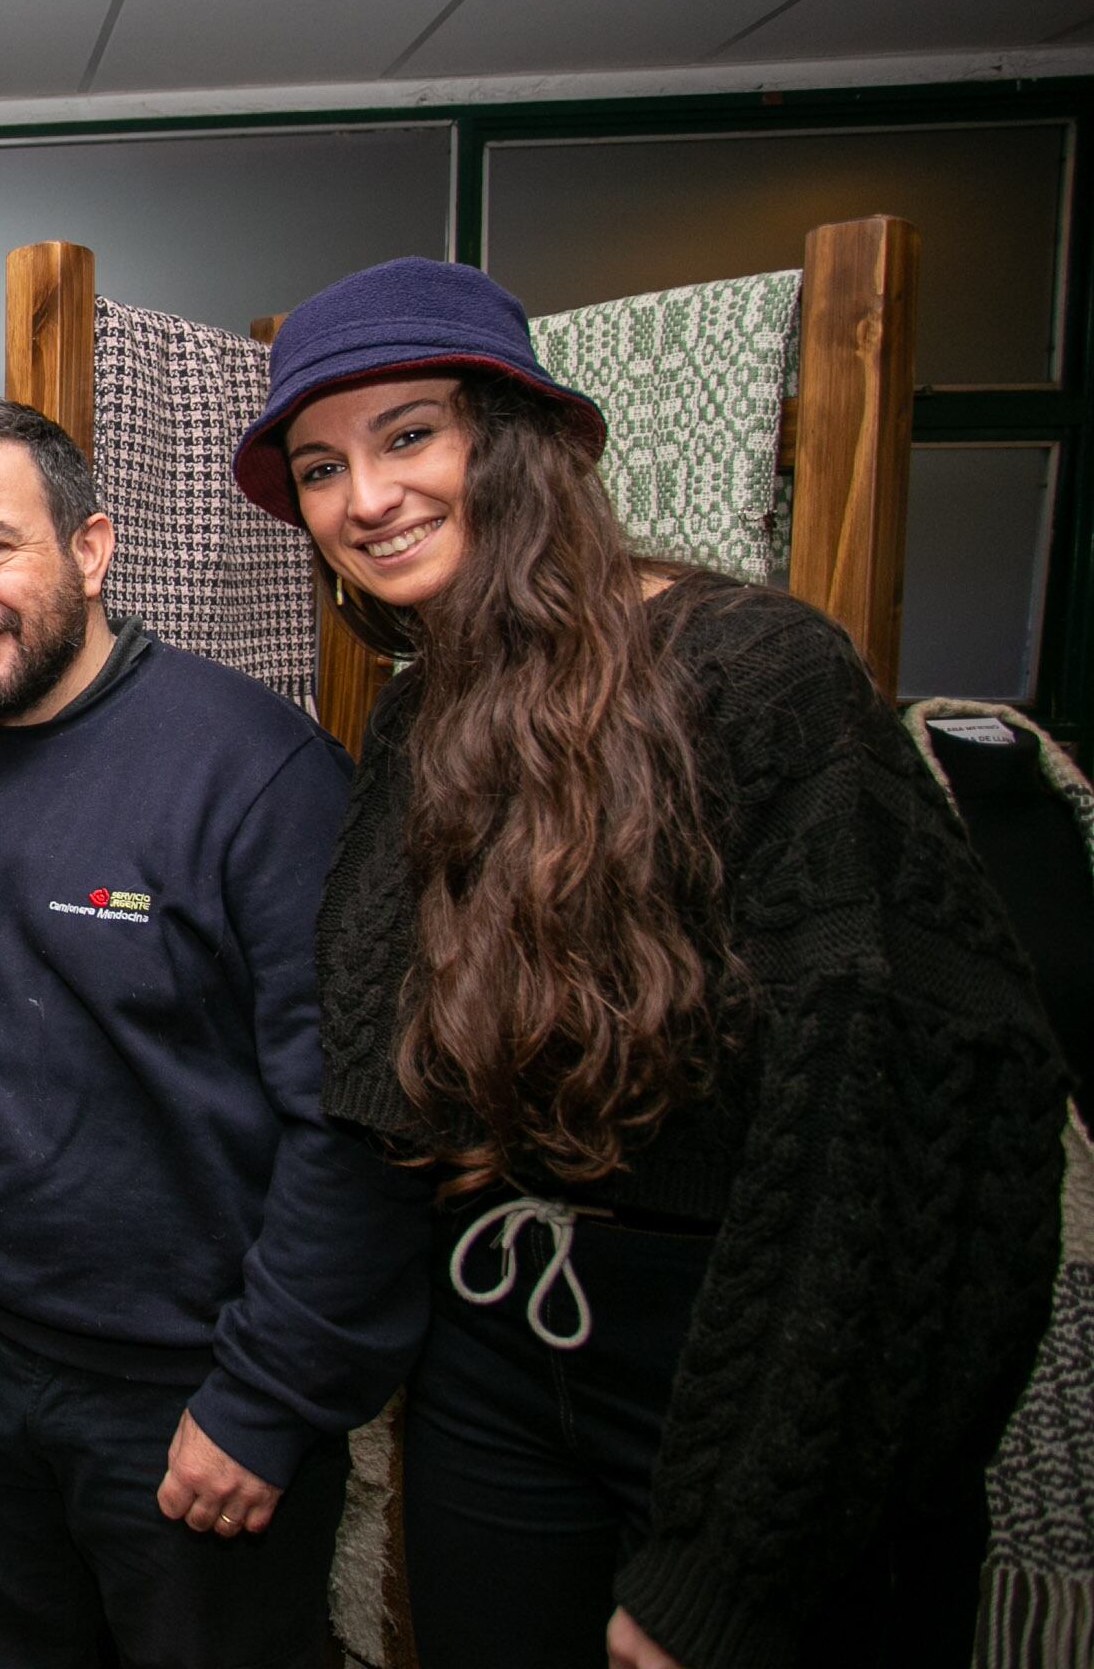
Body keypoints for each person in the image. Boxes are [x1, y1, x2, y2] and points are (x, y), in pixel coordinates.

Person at [232, 256, 1068, 1669]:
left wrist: (741, 1557)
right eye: (322, 467)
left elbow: (907, 1126)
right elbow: (380, 1062)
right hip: (493, 1335)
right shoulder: (426, 711)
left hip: (738, 1350)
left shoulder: (755, 672)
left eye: (410, 435)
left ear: (522, 439)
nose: (365, 499)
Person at [0, 398, 427, 1669]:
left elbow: (359, 1124)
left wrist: (268, 1400)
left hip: (182, 1397)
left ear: (93, 546)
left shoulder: (261, 774)